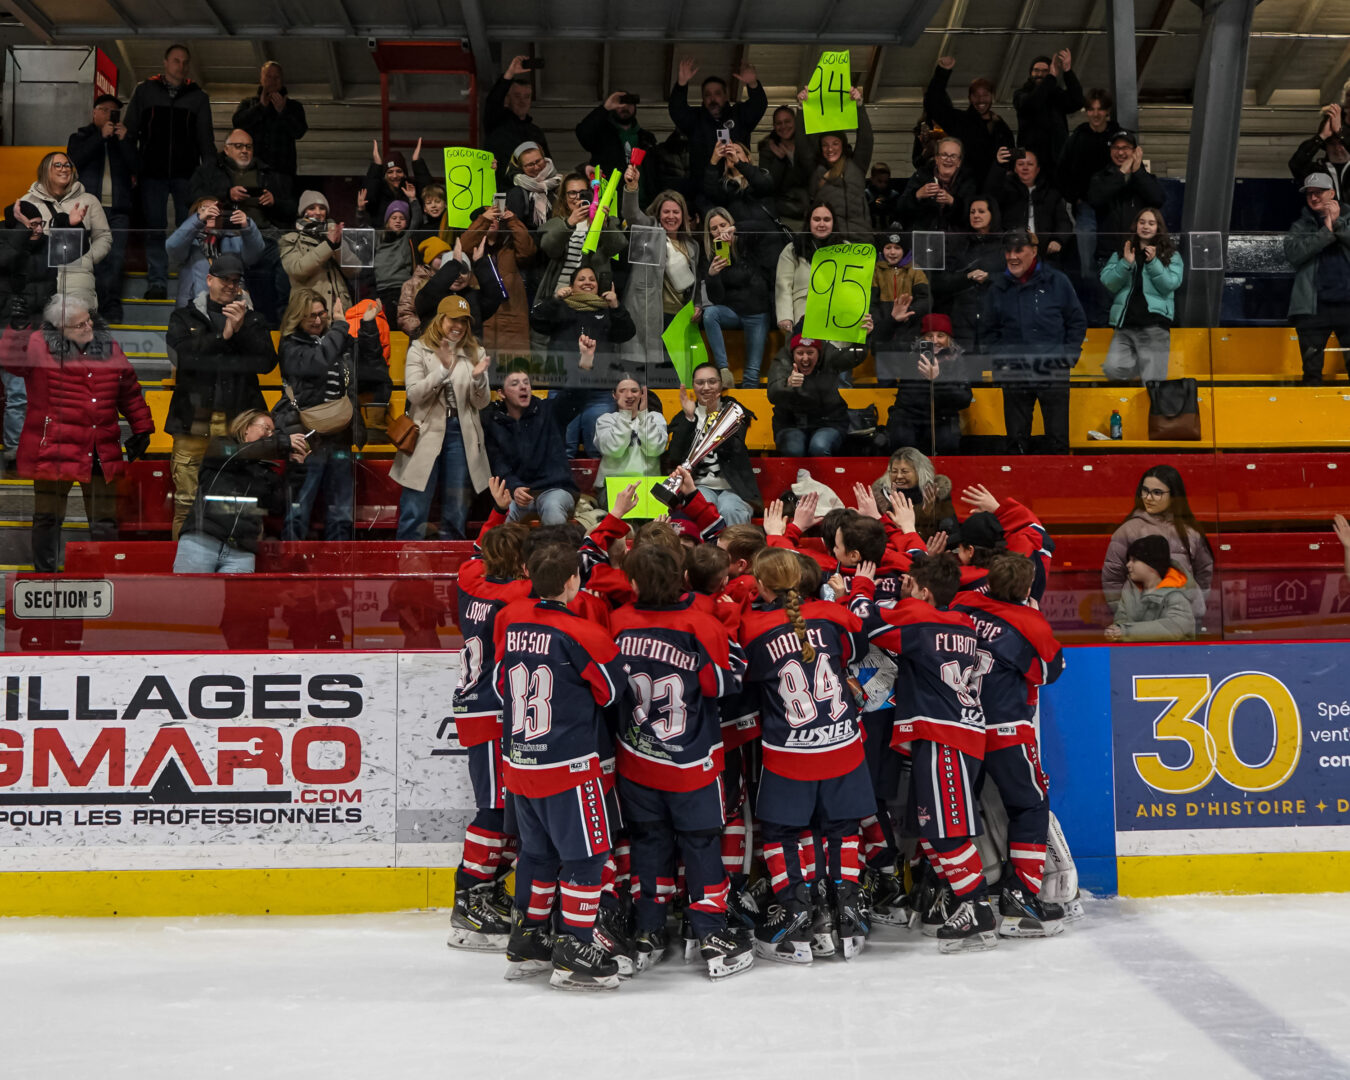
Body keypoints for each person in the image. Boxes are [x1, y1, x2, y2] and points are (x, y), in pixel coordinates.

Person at [611, 543, 753, 979]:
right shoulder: (701, 623)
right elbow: (723, 684)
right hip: (692, 764)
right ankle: (711, 935)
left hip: (636, 761)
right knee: (701, 844)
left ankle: (648, 932)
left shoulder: (616, 623)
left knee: (649, 842)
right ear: (682, 580)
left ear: (633, 584)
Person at [848, 553, 996, 951]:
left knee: (946, 833)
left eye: (911, 585)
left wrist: (862, 586)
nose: (904, 590)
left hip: (943, 736)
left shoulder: (919, 621)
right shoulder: (963, 622)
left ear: (926, 592)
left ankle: (976, 906)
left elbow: (864, 621)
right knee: (933, 831)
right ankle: (966, 900)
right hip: (959, 733)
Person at [497, 544, 629, 990]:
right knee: (587, 857)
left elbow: (501, 686)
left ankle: (528, 940)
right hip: (569, 768)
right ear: (574, 581)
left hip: (520, 765)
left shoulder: (512, 622)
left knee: (536, 854)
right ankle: (574, 948)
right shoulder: (584, 633)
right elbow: (612, 693)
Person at [740, 547, 870, 963]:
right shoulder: (834, 617)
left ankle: (796, 916)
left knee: (782, 833)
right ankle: (845, 914)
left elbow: (746, 681)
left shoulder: (752, 627)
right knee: (842, 826)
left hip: (789, 752)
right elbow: (854, 652)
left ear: (761, 584)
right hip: (842, 744)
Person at [953, 553, 1067, 937]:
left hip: (961, 728)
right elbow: (1051, 671)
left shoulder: (962, 605)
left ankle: (958, 896)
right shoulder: (1028, 621)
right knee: (1030, 805)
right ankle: (1020, 895)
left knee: (958, 812)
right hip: (1006, 729)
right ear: (1025, 588)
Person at [1, 294, 152, 571]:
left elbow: (128, 389)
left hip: (100, 447)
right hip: (54, 447)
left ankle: (104, 576)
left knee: (104, 520)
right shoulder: (39, 344)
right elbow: (12, 361)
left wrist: (142, 427)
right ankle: (45, 577)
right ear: (60, 327)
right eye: (79, 324)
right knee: (48, 517)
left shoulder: (108, 345)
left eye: (89, 320)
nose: (88, 327)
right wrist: (17, 330)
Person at [446, 514, 532, 950]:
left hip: (476, 706)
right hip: (493, 711)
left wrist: (497, 518)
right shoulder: (516, 596)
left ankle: (487, 887)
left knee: (506, 809)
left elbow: (476, 557)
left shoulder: (468, 581)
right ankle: (469, 899)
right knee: (495, 811)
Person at [164, 253, 279, 540]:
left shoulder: (253, 320)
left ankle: (239, 570)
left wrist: (239, 331)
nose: (230, 285)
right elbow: (184, 358)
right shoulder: (184, 316)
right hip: (193, 422)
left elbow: (266, 363)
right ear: (209, 279)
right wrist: (222, 336)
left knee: (241, 503)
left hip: (236, 425)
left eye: (235, 280)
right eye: (224, 279)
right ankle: (185, 574)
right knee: (186, 503)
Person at [277, 290, 379, 541]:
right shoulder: (291, 344)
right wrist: (341, 325)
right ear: (297, 317)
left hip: (341, 435)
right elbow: (318, 362)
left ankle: (340, 566)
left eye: (321, 314)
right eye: (310, 315)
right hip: (308, 436)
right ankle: (293, 567)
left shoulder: (336, 337)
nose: (317, 320)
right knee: (300, 507)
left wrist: (367, 326)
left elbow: (370, 364)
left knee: (342, 511)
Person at [392, 295, 493, 541]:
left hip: (462, 431)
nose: (457, 326)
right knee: (416, 503)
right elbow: (414, 394)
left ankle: (453, 569)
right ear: (441, 319)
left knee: (456, 504)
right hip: (425, 431)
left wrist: (479, 380)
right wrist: (442, 371)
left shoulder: (475, 351)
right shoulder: (420, 348)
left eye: (463, 321)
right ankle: (406, 564)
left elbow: (482, 402)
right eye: (452, 320)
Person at [123, 44, 215, 300]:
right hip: (151, 173)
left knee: (191, 227)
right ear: (165, 62)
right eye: (176, 61)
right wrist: (133, 168)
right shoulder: (145, 91)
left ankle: (191, 280)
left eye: (185, 62)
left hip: (187, 174)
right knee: (154, 227)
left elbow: (206, 141)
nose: (181, 65)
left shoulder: (198, 97)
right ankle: (157, 282)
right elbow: (130, 133)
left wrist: (207, 178)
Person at [984, 228, 1086, 453]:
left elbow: (1076, 321)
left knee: (1058, 440)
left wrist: (1066, 357)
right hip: (1014, 372)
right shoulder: (998, 288)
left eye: (1019, 250)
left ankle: (1058, 485)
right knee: (1016, 441)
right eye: (1008, 251)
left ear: (1034, 251)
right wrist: (1003, 360)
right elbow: (987, 331)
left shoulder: (1057, 281)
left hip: (1052, 370)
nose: (1012, 256)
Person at [173, 408, 308, 572]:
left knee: (237, 598)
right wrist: (282, 442)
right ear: (245, 428)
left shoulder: (265, 471)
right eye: (266, 428)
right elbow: (239, 455)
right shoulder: (221, 446)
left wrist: (296, 468)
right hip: (201, 542)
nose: (270, 435)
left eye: (273, 433)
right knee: (189, 597)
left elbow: (277, 506)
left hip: (241, 552)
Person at [188, 127, 295, 323]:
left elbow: (292, 207)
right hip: (223, 233)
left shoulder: (267, 171)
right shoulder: (210, 169)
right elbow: (195, 198)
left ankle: (279, 323)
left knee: (285, 262)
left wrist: (274, 200)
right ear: (226, 149)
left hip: (264, 233)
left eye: (248, 147)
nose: (244, 150)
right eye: (238, 146)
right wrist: (227, 195)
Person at [529, 264, 636, 457]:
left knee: (598, 451)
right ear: (571, 285)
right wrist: (555, 299)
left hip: (599, 392)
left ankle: (595, 488)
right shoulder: (560, 307)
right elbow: (536, 321)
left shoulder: (605, 310)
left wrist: (616, 306)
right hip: (563, 388)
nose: (587, 282)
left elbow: (626, 333)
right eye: (582, 279)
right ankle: (562, 487)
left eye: (591, 279)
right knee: (562, 449)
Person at [1102, 464, 1213, 620]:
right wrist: (1127, 615)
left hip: (1182, 623)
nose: (1148, 498)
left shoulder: (1190, 532)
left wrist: (1192, 608)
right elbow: (1112, 579)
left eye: (1157, 492)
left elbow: (1204, 572)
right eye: (1145, 491)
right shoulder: (1127, 531)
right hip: (1141, 625)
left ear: (1174, 495)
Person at [66, 94, 137, 323]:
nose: (109, 115)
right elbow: (75, 160)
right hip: (87, 209)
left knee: (115, 259)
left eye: (114, 112)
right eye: (104, 110)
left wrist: (125, 141)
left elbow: (139, 167)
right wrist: (100, 137)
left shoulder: (125, 139)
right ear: (94, 113)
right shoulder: (80, 137)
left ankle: (111, 307)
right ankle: (87, 309)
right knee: (88, 259)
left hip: (118, 209)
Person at [665, 361, 760, 525]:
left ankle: (735, 550)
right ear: (693, 386)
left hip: (733, 487)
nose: (706, 387)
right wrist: (689, 419)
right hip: (698, 486)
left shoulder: (735, 412)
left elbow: (735, 449)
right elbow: (675, 456)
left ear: (721, 385)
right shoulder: (685, 416)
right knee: (702, 504)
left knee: (731, 509)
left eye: (712, 382)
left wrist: (714, 416)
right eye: (700, 383)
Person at [483, 370, 580, 526]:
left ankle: (556, 551)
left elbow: (575, 396)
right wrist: (514, 488)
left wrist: (585, 365)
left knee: (552, 509)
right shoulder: (494, 423)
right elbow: (499, 466)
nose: (523, 387)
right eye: (515, 384)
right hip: (520, 494)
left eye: (526, 383)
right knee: (505, 522)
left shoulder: (550, 411)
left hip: (556, 489)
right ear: (501, 393)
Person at [1099, 208, 1184, 383]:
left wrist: (1153, 263)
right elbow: (1108, 282)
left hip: (1154, 325)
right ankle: (1141, 363)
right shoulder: (1123, 251)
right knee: (1112, 369)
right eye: (1142, 222)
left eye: (1151, 223)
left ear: (1158, 228)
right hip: (1125, 325)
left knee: (1153, 384)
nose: (1146, 226)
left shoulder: (1171, 255)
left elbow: (1169, 285)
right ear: (1136, 225)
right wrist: (1125, 263)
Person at [20, 151, 111, 312]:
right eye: (58, 165)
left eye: (68, 165)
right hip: (39, 281)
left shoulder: (88, 200)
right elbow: (18, 241)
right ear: (45, 170)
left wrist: (87, 258)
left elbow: (103, 236)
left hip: (78, 280)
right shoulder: (27, 202)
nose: (65, 169)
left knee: (78, 330)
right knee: (40, 334)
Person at [667, 58, 768, 204]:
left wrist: (752, 84)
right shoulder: (696, 120)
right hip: (704, 192)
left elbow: (758, 106)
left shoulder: (739, 115)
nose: (712, 99)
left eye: (717, 94)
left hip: (738, 189)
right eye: (707, 95)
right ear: (702, 98)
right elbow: (677, 111)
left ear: (726, 96)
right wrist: (681, 85)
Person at [1284, 174, 1350, 384]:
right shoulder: (1300, 226)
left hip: (1347, 305)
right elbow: (1294, 254)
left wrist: (1337, 224)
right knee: (1311, 373)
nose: (1313, 198)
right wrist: (1327, 231)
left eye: (1318, 193)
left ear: (1332, 194)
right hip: (1312, 309)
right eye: (1309, 194)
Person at [620, 171, 699, 345]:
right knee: (651, 368)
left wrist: (699, 305)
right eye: (666, 212)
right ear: (658, 214)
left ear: (683, 215)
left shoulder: (692, 245)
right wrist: (632, 187)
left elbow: (697, 283)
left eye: (676, 212)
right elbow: (631, 213)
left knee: (674, 370)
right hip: (650, 313)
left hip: (680, 316)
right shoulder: (648, 231)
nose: (671, 217)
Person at [699, 206, 773, 388]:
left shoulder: (748, 243)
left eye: (723, 225)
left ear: (730, 224)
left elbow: (765, 227)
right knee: (710, 314)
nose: (719, 231)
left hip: (757, 313)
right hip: (732, 312)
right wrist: (712, 276)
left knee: (752, 372)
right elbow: (716, 299)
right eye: (714, 228)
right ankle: (723, 370)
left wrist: (737, 229)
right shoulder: (712, 256)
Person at [884, 313, 973, 457]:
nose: (935, 341)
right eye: (929, 336)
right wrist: (892, 321)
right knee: (902, 440)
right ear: (922, 339)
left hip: (943, 419)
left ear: (949, 339)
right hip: (909, 419)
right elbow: (884, 348)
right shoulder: (910, 357)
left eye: (941, 336)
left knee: (947, 441)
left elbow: (964, 399)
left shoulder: (957, 361)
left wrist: (937, 379)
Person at [535, 173, 627, 311]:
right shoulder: (556, 223)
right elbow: (549, 249)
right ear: (564, 198)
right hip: (561, 292)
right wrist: (569, 223)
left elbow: (617, 247)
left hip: (593, 296)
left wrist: (605, 224)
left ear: (591, 194)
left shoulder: (605, 221)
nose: (578, 197)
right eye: (572, 193)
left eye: (582, 193)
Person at [794, 83, 873, 242]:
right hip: (828, 241)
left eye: (835, 143)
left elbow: (866, 139)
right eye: (825, 145)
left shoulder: (856, 165)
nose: (830, 149)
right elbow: (801, 143)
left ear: (843, 145)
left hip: (861, 239)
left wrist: (859, 106)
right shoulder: (815, 169)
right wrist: (801, 110)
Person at [767, 332, 865, 457]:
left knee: (819, 446)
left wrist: (863, 336)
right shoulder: (781, 362)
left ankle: (824, 477)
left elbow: (854, 356)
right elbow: (772, 394)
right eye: (800, 353)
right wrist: (787, 384)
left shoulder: (830, 359)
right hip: (790, 425)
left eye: (810, 353)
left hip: (829, 423)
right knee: (794, 449)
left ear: (819, 353)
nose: (805, 358)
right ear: (792, 354)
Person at [460, 205, 536, 361]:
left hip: (511, 319)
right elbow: (463, 247)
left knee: (514, 373)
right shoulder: (473, 250)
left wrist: (513, 220)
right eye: (489, 217)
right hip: (482, 320)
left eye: (496, 217)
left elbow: (528, 250)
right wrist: (483, 220)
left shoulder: (510, 247)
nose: (492, 220)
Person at [1057, 89, 1117, 284]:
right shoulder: (1079, 136)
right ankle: (1089, 282)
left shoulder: (1117, 136)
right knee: (1086, 240)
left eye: (1100, 109)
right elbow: (1063, 168)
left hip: (1113, 205)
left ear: (1107, 111)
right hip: (1086, 204)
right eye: (1092, 109)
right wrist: (1074, 197)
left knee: (1112, 247)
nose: (1096, 114)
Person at [923, 56, 1014, 182]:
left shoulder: (1001, 126)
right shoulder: (960, 121)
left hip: (994, 189)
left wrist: (1010, 172)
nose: (981, 100)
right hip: (965, 188)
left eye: (985, 95)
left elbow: (1011, 154)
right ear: (970, 98)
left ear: (992, 96)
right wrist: (943, 72)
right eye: (976, 95)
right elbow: (933, 104)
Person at [933, 197, 1005, 355]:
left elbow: (1014, 278)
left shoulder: (1004, 245)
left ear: (993, 214)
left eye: (981, 211)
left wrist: (990, 277)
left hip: (994, 319)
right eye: (972, 212)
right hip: (963, 319)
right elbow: (941, 281)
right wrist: (966, 277)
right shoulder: (959, 244)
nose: (976, 215)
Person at [165, 197, 265, 309]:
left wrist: (247, 226)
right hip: (193, 305)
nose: (211, 211)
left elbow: (255, 255)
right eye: (205, 209)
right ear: (194, 215)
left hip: (233, 302)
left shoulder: (234, 239)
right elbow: (172, 247)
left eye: (216, 209)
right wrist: (198, 220)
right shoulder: (189, 241)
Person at [1086, 130, 1165, 263]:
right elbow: (1095, 200)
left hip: (1141, 253)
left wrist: (1137, 171)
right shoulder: (1100, 178)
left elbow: (1158, 199)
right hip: (1109, 255)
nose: (1120, 152)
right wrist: (1121, 173)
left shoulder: (1145, 178)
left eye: (1126, 148)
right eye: (1116, 148)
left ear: (1135, 151)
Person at [985, 148, 1073, 266]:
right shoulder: (1005, 190)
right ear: (1015, 168)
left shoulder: (1051, 193)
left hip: (1045, 253)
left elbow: (1064, 223)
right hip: (1012, 250)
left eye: (1030, 164)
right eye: (1020, 164)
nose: (1025, 168)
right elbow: (990, 197)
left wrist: (1058, 240)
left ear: (1037, 169)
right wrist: (998, 166)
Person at [1103, 534, 1197, 642]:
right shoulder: (1130, 592)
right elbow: (1121, 619)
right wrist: (1115, 630)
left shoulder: (1176, 595)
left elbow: (1175, 628)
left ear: (1151, 564)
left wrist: (1125, 632)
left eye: (1134, 560)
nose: (1128, 565)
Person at [1012, 50, 1084, 188]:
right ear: (1030, 73)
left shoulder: (1056, 94)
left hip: (1056, 163)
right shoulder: (1021, 94)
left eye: (1045, 71)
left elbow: (1077, 101)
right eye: (1036, 70)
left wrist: (1067, 71)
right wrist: (1051, 77)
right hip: (1030, 163)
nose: (1040, 74)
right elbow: (1032, 103)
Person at [576, 90, 659, 206]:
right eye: (620, 103)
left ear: (635, 107)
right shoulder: (602, 135)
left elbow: (655, 172)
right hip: (610, 204)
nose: (624, 107)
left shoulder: (646, 138)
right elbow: (583, 133)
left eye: (629, 103)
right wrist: (605, 108)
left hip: (644, 204)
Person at [871, 230, 932, 383]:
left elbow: (926, 300)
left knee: (910, 382)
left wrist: (909, 313)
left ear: (904, 250)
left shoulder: (915, 270)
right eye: (888, 247)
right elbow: (871, 303)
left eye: (897, 248)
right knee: (885, 383)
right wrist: (884, 322)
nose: (892, 252)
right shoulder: (875, 271)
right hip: (884, 338)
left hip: (909, 336)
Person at [231, 61, 307, 182]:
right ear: (261, 79)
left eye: (276, 77)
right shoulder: (249, 103)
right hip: (252, 172)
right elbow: (237, 123)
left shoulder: (294, 106)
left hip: (282, 172)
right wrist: (260, 107)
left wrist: (283, 112)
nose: (272, 81)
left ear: (282, 80)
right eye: (268, 77)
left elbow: (299, 132)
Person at [278, 190, 352, 315]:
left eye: (322, 208)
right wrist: (328, 245)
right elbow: (297, 270)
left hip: (339, 309)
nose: (318, 212)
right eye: (312, 208)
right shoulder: (290, 239)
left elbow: (355, 270)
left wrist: (338, 247)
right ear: (303, 213)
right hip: (309, 310)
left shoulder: (335, 235)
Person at [484, 55, 551, 190]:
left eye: (527, 97)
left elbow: (548, 164)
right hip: (502, 194)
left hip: (532, 196)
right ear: (507, 99)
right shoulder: (497, 123)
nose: (522, 101)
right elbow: (493, 102)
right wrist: (509, 74)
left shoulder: (536, 132)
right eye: (517, 96)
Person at [775, 203, 843, 334]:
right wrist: (785, 317)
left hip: (837, 317)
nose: (821, 224)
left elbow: (854, 289)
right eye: (816, 219)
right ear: (809, 222)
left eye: (827, 220)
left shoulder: (847, 249)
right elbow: (783, 285)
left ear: (834, 223)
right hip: (802, 315)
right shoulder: (793, 248)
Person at [594, 375, 666, 492]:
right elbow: (614, 450)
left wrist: (643, 415)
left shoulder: (655, 418)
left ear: (642, 394)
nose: (629, 396)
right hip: (613, 486)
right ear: (614, 395)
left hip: (648, 486)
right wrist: (624, 415)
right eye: (622, 391)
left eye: (634, 391)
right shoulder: (605, 420)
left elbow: (654, 449)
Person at [898, 136, 978, 234]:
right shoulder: (920, 176)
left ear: (959, 162)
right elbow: (900, 209)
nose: (948, 160)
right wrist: (917, 195)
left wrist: (953, 202)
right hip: (923, 239)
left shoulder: (968, 181)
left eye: (953, 156)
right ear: (936, 158)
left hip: (956, 242)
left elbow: (973, 215)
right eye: (944, 155)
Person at [759, 106, 810, 227]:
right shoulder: (767, 148)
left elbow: (811, 173)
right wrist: (779, 160)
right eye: (779, 123)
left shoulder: (806, 142)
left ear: (795, 122)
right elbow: (768, 185)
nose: (783, 126)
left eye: (787, 121)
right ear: (774, 126)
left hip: (807, 203)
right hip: (783, 207)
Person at [505, 142, 561, 234]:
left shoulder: (559, 182)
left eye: (538, 161)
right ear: (521, 167)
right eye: (530, 165)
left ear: (545, 158)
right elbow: (513, 227)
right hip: (530, 245)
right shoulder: (517, 192)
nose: (536, 167)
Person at [866, 163, 901, 230]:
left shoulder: (893, 195)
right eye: (879, 181)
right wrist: (873, 205)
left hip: (889, 231)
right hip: (870, 231)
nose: (883, 185)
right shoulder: (866, 195)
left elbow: (898, 215)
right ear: (872, 179)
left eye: (886, 182)